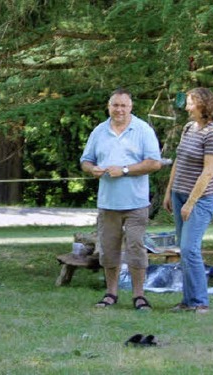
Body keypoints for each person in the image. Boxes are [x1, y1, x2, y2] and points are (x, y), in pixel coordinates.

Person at [80, 88, 162, 310]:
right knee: (108, 250)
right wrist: (92, 169)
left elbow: (154, 162)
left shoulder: (142, 130)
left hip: (136, 203)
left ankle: (139, 296)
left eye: (123, 105)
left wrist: (124, 170)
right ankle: (111, 293)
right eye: (115, 105)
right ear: (109, 106)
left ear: (131, 107)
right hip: (108, 204)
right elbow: (85, 160)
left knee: (136, 247)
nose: (119, 110)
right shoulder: (99, 131)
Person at [163, 87, 213, 314]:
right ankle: (188, 301)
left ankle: (200, 302)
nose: (187, 107)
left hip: (201, 199)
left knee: (190, 248)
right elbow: (178, 162)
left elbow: (209, 172)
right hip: (180, 194)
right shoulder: (189, 128)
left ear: (203, 105)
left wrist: (190, 202)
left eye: (190, 103)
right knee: (184, 248)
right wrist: (169, 192)